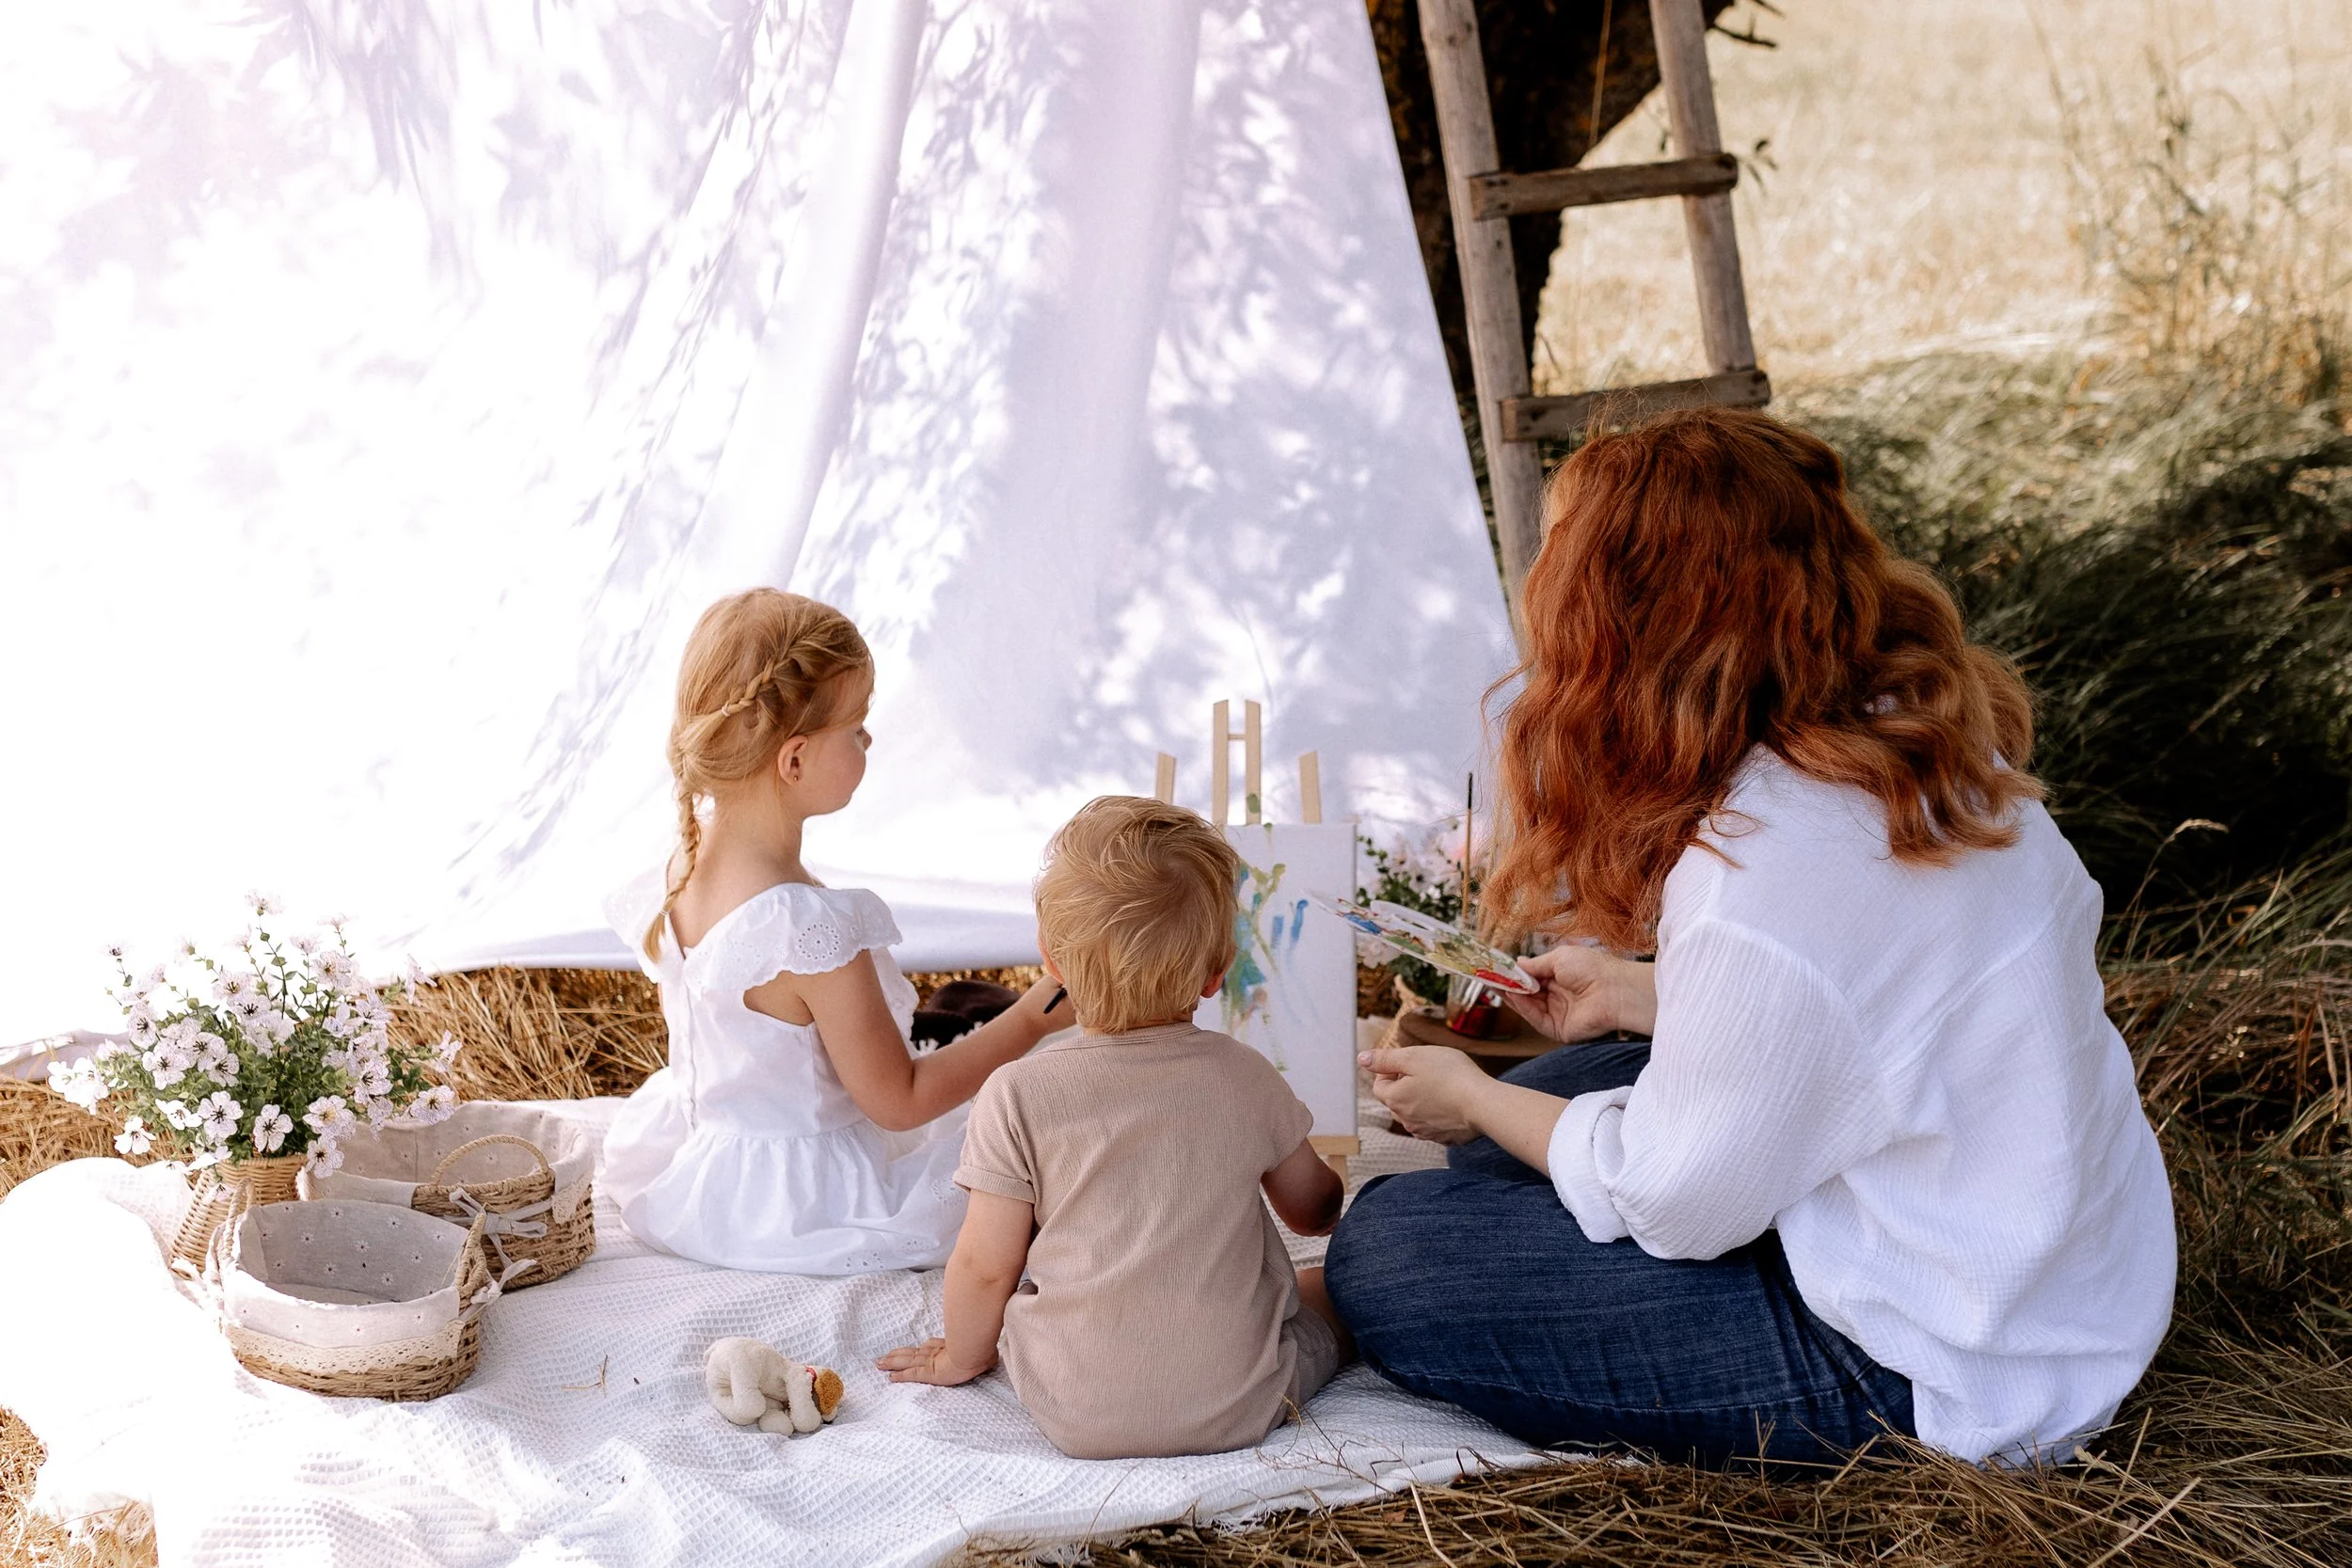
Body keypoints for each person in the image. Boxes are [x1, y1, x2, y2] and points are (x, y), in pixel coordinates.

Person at [1326, 407, 2176, 1468]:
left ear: (1628, 626)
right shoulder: (1926, 748)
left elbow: (1670, 1200)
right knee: (1568, 1078)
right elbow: (1868, 1011)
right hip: (2040, 1262)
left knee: (1390, 1243)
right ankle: (1506, 1123)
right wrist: (1634, 994)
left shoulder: (1757, 873)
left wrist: (1477, 1097)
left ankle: (1460, 1165)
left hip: (1931, 1355)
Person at [602, 588, 1065, 1274]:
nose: (869, 740)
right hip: (809, 1202)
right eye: (857, 727)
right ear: (793, 760)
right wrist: (1029, 1019)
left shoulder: (682, 866)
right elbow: (900, 1100)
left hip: (715, 1175)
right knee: (1042, 1131)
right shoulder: (809, 932)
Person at [876, 796, 1349, 1458]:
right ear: (1219, 971)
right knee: (1328, 1287)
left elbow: (985, 1265)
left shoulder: (1015, 1092)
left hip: (1074, 1405)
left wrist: (961, 1354)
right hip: (1243, 1400)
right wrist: (1325, 1176)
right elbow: (1313, 1210)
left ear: (1051, 961)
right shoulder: (1244, 1074)